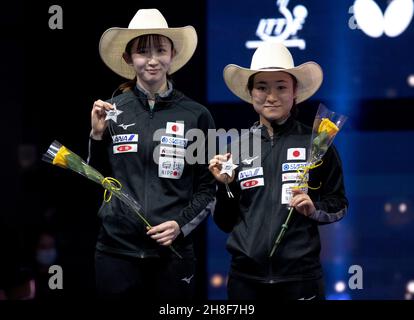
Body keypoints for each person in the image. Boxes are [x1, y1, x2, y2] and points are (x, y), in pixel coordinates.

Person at [88, 8, 216, 300]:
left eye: (161, 49)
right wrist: (96, 135)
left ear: (172, 55)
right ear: (128, 58)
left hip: (172, 255)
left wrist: (180, 226)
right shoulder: (110, 111)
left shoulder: (196, 115)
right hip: (115, 253)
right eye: (143, 51)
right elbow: (94, 179)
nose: (153, 59)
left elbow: (208, 189)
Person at [209, 42, 348, 300]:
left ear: (295, 92)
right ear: (250, 92)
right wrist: (225, 186)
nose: (271, 96)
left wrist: (313, 208)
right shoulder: (236, 149)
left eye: (281, 87)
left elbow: (339, 204)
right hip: (245, 281)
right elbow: (225, 222)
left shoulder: (318, 143)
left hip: (301, 278)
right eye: (262, 87)